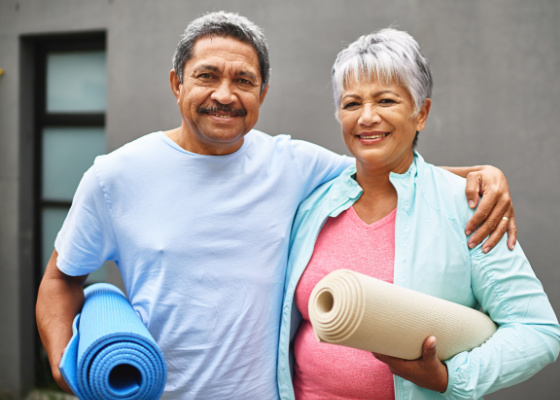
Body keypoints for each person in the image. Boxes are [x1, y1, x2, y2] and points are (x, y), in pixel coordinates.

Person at [36, 12, 516, 400]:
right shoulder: (113, 177)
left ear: (262, 93)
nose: (225, 94)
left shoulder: (292, 164)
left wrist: (481, 176)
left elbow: (383, 164)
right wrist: (65, 367)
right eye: (207, 76)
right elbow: (61, 279)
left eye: (243, 80)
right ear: (176, 84)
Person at [277, 28, 560, 399]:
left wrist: (449, 378)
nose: (367, 117)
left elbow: (538, 329)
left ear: (421, 113)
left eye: (386, 101)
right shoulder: (313, 205)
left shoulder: (467, 207)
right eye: (351, 104)